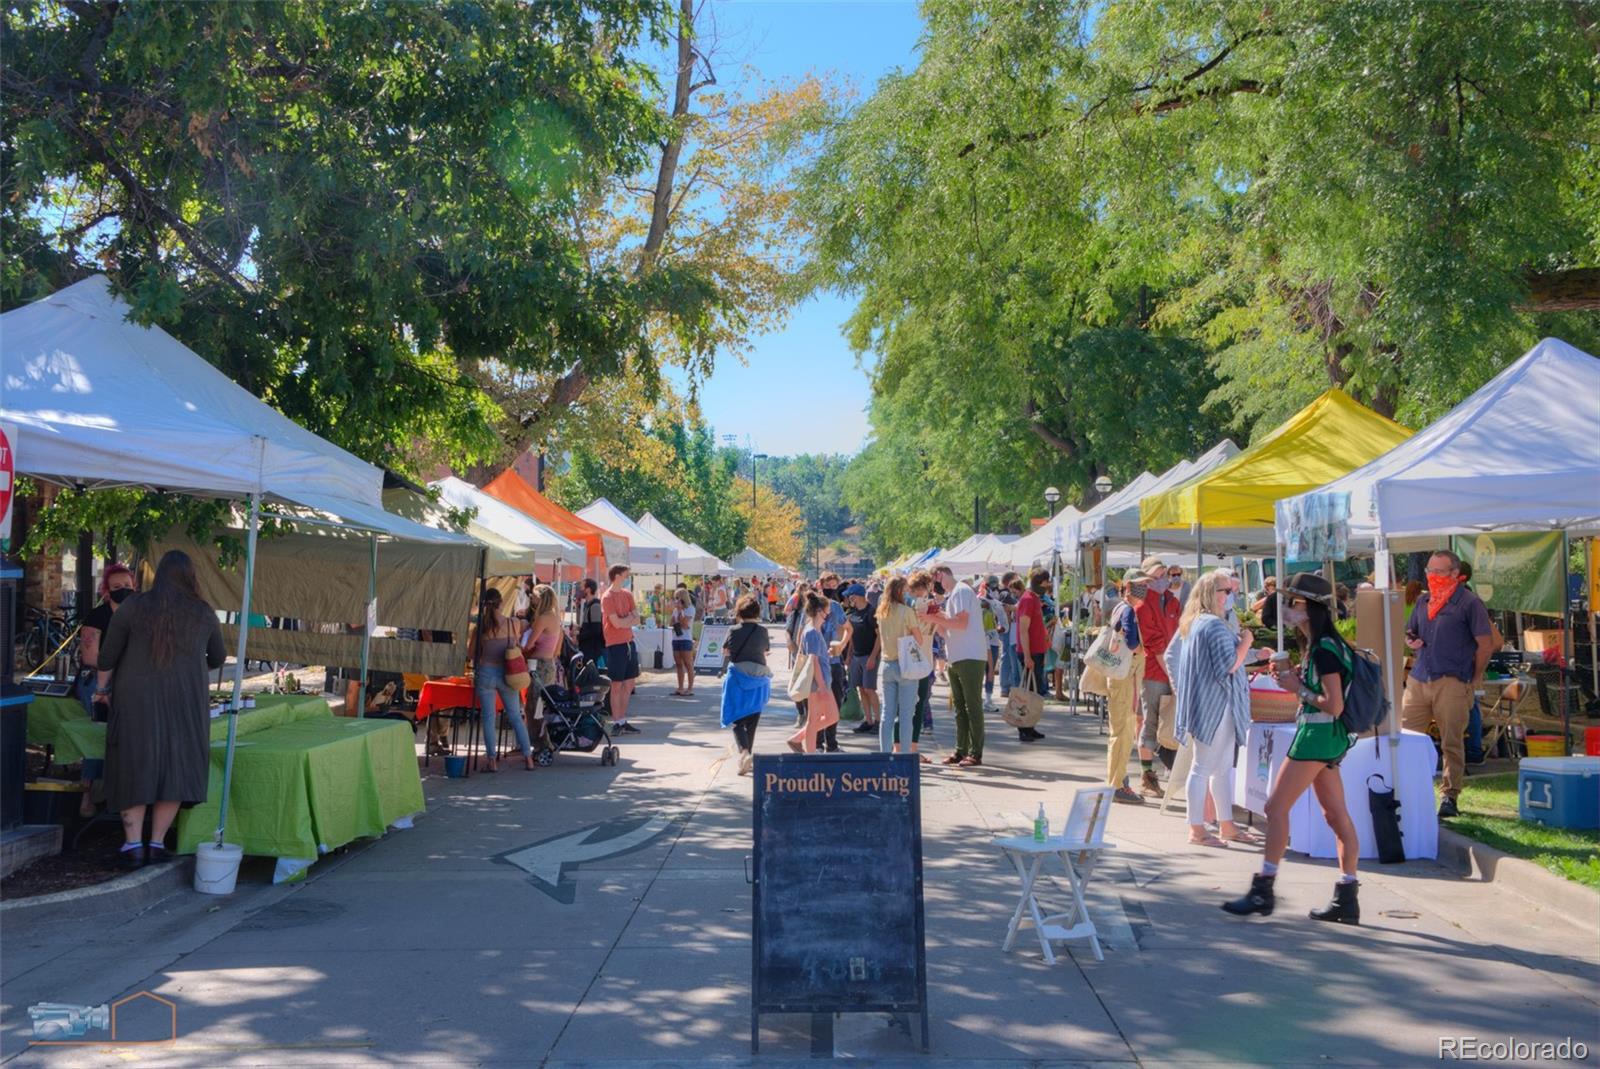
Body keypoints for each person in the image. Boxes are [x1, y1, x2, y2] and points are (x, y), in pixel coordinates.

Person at [1223, 573, 1363, 925]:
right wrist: (1297, 678)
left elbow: (1333, 704)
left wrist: (1295, 687)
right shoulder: (1324, 645)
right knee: (1335, 814)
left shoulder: (1326, 648)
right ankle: (1347, 895)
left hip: (1318, 736)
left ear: (1308, 608)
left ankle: (1264, 888)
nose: (1284, 610)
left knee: (1275, 807)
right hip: (1326, 738)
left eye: (1291, 603)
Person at [96, 550, 226, 868]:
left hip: (134, 699)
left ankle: (132, 846)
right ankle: (156, 843)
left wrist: (101, 690)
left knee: (133, 763)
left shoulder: (132, 607)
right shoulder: (203, 612)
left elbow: (106, 657)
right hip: (185, 701)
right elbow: (219, 657)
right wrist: (192, 665)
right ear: (191, 576)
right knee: (177, 767)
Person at [1167, 570, 1270, 846]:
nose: (1230, 596)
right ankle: (1197, 829)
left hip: (1212, 704)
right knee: (1205, 769)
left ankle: (1226, 825)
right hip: (1215, 706)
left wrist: (1250, 652)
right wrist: (1248, 642)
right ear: (1212, 594)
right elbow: (1229, 664)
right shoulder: (1212, 624)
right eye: (1226, 591)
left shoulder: (1197, 622)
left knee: (1220, 769)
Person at [1401, 549, 1496, 818]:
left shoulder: (1469, 602)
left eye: (1438, 571)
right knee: (1407, 738)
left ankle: (1449, 796)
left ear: (1455, 574)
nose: (1432, 576)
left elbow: (1485, 645)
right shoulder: (1423, 601)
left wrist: (1473, 677)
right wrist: (1411, 640)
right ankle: (1408, 791)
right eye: (1429, 571)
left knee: (1451, 742)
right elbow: (1412, 631)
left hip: (1452, 680)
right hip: (1419, 678)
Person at [77, 562, 137, 816]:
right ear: (106, 590)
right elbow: (91, 657)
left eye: (127, 586)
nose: (122, 590)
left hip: (132, 682)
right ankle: (87, 794)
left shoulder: (142, 616)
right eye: (116, 587)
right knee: (99, 734)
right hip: (97, 680)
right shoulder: (98, 616)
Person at [467, 588, 536, 772]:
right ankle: (529, 758)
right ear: (501, 603)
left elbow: (470, 653)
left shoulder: (480, 627)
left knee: (489, 718)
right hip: (509, 673)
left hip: (486, 673)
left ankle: (492, 761)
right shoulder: (513, 623)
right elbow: (528, 624)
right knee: (515, 716)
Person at [931, 565, 990, 767]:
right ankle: (960, 750)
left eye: (934, 580)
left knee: (972, 706)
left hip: (970, 656)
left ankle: (975, 752)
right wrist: (934, 616)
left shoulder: (962, 591)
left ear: (941, 575)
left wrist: (933, 616)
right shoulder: (952, 596)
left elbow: (961, 624)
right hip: (956, 657)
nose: (935, 585)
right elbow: (945, 629)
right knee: (959, 708)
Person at [1135, 558, 1181, 795]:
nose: (1164, 578)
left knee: (1170, 722)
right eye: (1158, 575)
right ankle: (1146, 775)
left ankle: (1168, 771)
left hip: (1171, 669)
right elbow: (1155, 644)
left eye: (1166, 573)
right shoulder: (1142, 605)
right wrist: (1172, 675)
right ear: (1146, 579)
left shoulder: (1173, 602)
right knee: (1150, 722)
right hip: (1154, 671)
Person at [876, 575, 930, 763]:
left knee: (887, 714)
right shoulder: (906, 611)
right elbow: (919, 639)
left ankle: (884, 754)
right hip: (905, 665)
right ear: (900, 591)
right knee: (907, 714)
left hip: (886, 664)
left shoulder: (881, 612)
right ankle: (905, 756)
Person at [1105, 570, 1149, 804]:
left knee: (1119, 730)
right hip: (1125, 677)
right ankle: (1118, 783)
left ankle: (1118, 780)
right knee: (1123, 731)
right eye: (1141, 585)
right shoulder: (1129, 610)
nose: (1145, 589)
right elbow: (1132, 642)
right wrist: (1144, 650)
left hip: (1119, 677)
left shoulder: (1118, 607)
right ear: (1130, 586)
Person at [721, 595, 771, 775]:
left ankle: (744, 753)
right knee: (752, 719)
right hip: (758, 677)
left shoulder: (734, 630)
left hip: (738, 677)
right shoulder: (763, 631)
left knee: (737, 720)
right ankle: (746, 757)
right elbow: (766, 650)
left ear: (740, 611)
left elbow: (726, 650)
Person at [787, 592, 837, 754]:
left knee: (824, 718)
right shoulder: (812, 632)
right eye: (826, 612)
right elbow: (813, 660)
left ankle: (799, 740)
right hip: (818, 682)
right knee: (821, 718)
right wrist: (822, 686)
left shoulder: (812, 631)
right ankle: (808, 752)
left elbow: (815, 658)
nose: (827, 615)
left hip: (820, 680)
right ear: (819, 611)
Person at [601, 564, 643, 734]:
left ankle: (622, 719)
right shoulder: (607, 597)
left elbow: (637, 618)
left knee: (629, 683)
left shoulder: (627, 594)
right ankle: (617, 721)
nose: (627, 578)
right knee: (616, 684)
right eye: (625, 575)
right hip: (615, 644)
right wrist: (628, 619)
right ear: (617, 576)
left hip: (628, 643)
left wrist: (625, 620)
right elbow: (616, 624)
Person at [1013, 568, 1052, 743]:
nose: (1048, 585)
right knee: (1027, 692)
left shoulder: (1034, 599)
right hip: (1031, 652)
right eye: (1046, 582)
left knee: (1033, 692)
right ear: (1039, 581)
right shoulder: (1028, 600)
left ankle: (1030, 726)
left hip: (1037, 651)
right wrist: (1027, 656)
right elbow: (1023, 630)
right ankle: (1023, 728)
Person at [522, 584, 562, 749]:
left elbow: (530, 643)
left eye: (534, 595)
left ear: (540, 598)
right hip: (548, 664)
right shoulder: (555, 616)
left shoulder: (543, 617)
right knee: (543, 705)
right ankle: (543, 742)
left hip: (539, 665)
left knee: (534, 705)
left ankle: (538, 743)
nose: (532, 598)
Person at [844, 584, 882, 735]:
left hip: (868, 655)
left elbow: (879, 636)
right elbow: (852, 635)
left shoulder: (871, 612)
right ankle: (868, 720)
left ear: (856, 595)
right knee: (860, 688)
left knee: (869, 689)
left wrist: (873, 656)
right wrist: (848, 655)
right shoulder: (853, 613)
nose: (848, 598)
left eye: (850, 595)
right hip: (856, 655)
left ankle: (878, 721)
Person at [669, 588, 697, 696]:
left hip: (685, 639)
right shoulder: (675, 610)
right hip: (676, 638)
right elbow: (671, 623)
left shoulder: (690, 609)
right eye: (675, 598)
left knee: (688, 664)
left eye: (678, 598)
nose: (676, 600)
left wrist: (680, 611)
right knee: (678, 664)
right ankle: (680, 688)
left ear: (683, 598)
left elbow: (685, 624)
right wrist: (677, 611)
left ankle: (690, 688)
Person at [576, 578, 606, 665]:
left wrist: (579, 637)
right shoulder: (588, 605)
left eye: (581, 587)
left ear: (588, 589)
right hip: (587, 647)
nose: (579, 590)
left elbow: (595, 630)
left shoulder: (595, 606)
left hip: (592, 649)